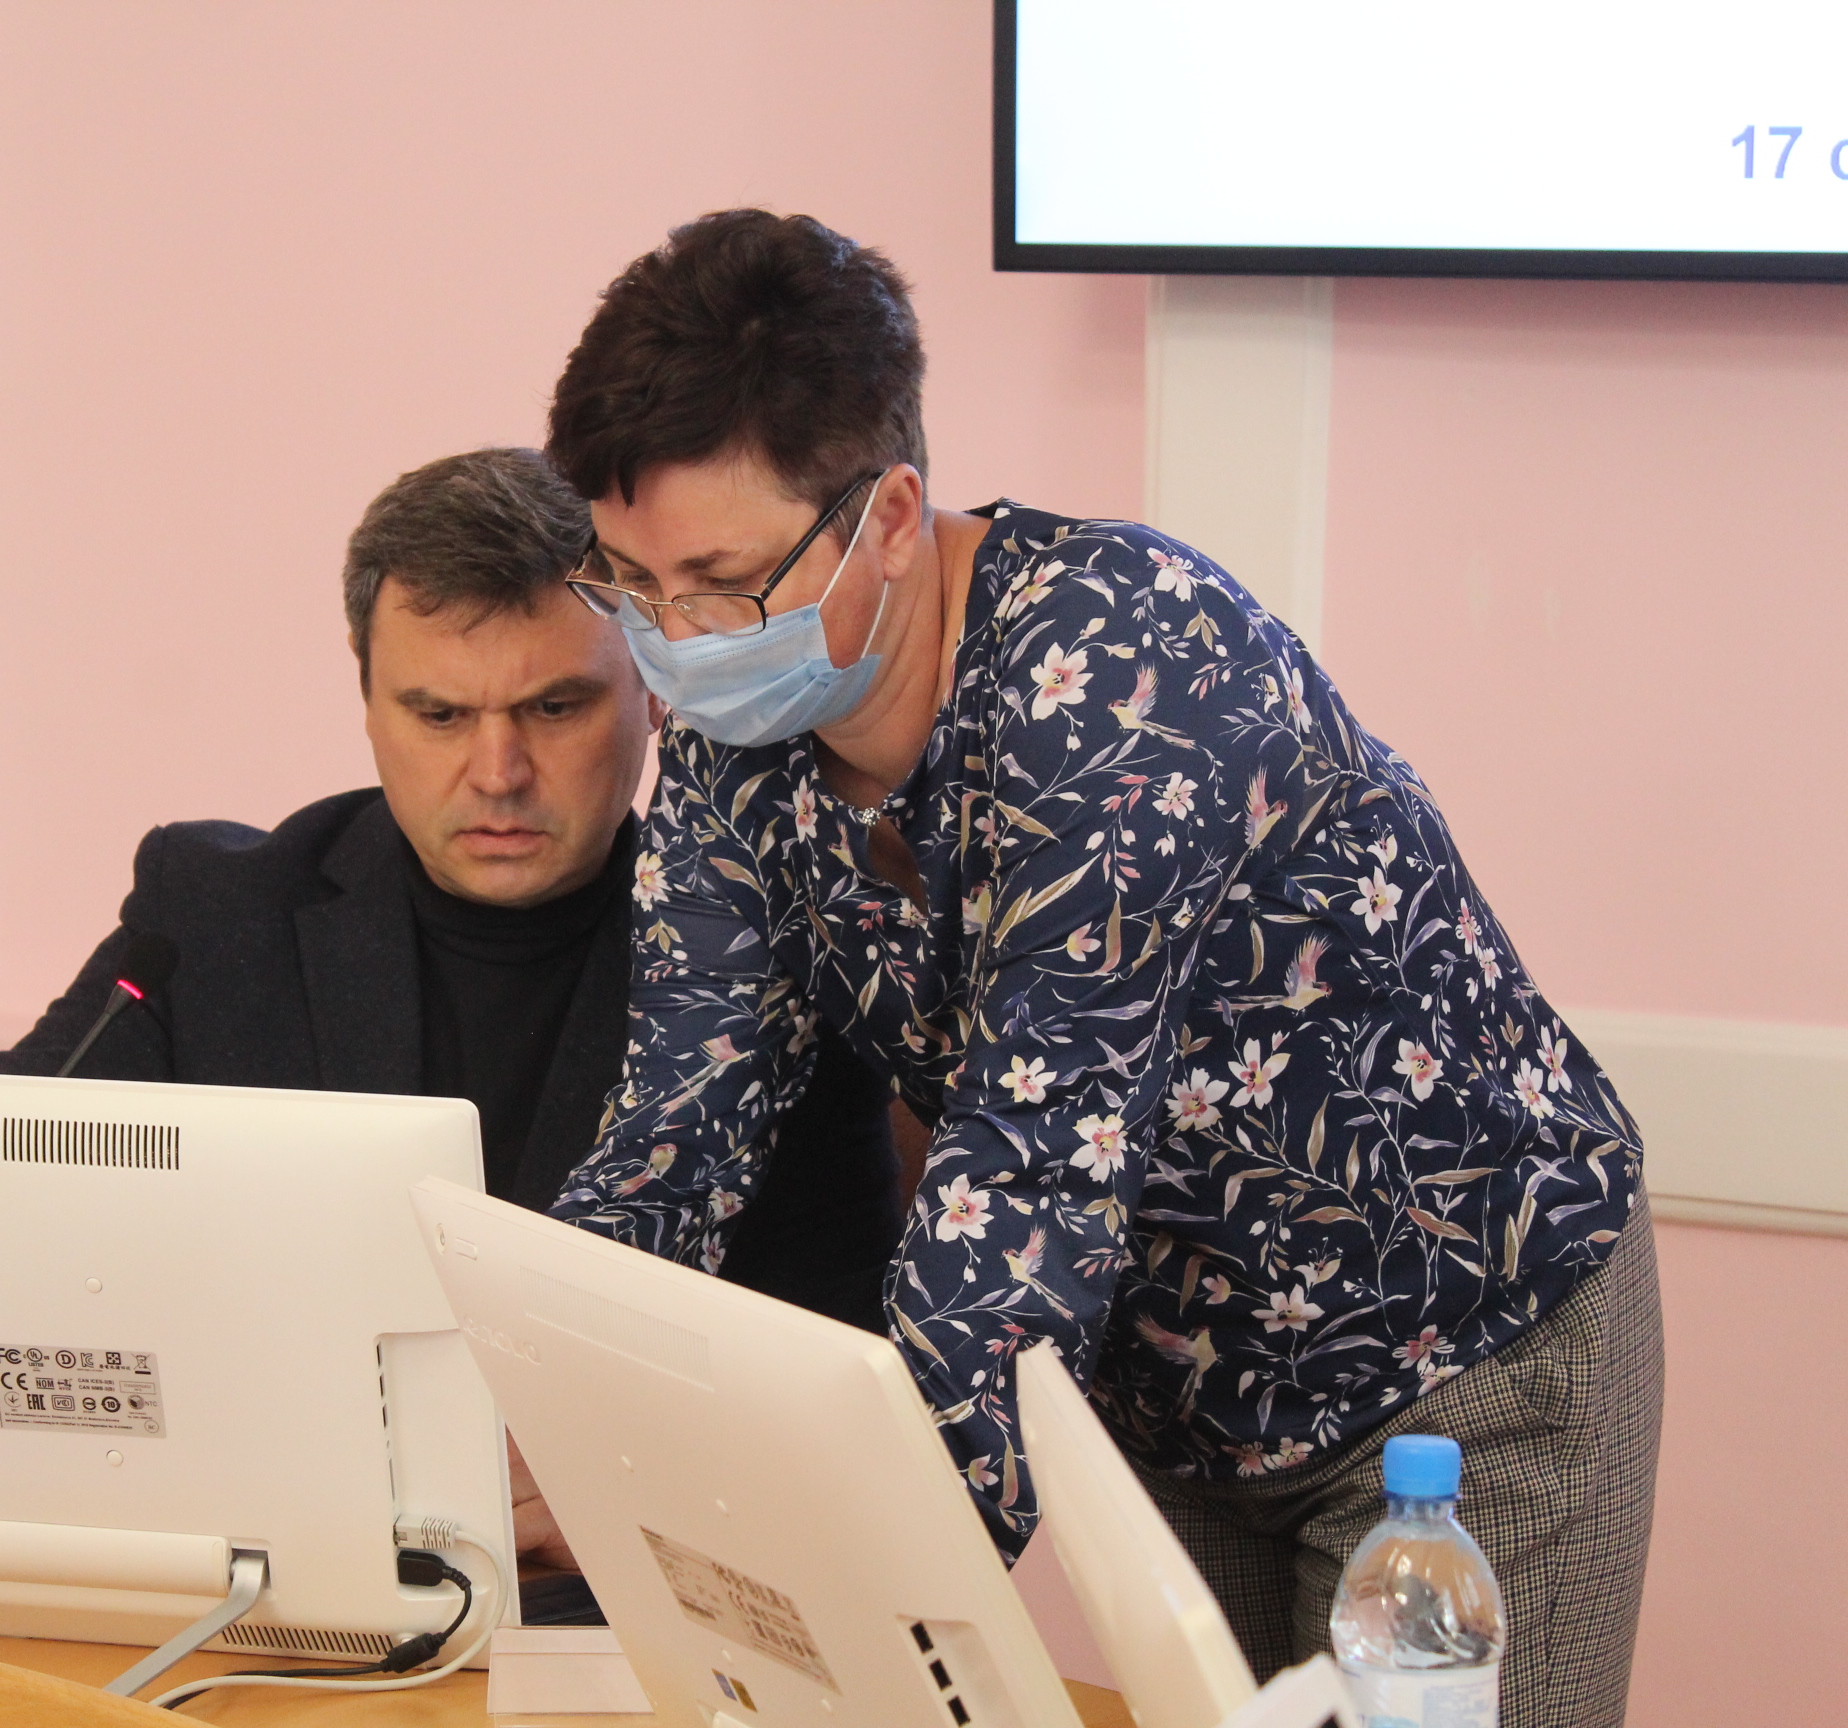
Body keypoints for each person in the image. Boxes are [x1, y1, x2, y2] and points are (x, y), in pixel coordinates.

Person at [539, 211, 1661, 1728]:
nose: (677, 643)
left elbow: (1026, 1167)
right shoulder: (735, 753)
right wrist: (545, 1408)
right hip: (1178, 1390)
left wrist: (862, 1614)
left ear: (889, 516)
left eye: (723, 584)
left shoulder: (1124, 666)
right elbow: (676, 1126)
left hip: (1458, 1360)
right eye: (629, 584)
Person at [0, 448, 905, 1566]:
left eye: (555, 707)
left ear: (652, 690)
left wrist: (648, 1494)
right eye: (437, 714)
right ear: (367, 696)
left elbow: (848, 1387)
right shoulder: (210, 918)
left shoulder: (770, 960)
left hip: (606, 1597)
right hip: (254, 1565)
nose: (497, 771)